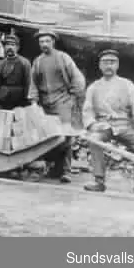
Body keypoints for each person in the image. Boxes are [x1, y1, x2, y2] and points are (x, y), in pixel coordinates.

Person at [82, 49, 134, 198]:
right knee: (94, 140)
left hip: (124, 125)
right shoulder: (93, 87)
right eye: (105, 62)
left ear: (117, 65)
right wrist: (93, 125)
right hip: (104, 126)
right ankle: (98, 181)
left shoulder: (127, 85)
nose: (109, 65)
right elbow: (87, 110)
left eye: (112, 62)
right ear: (100, 66)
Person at [29, 29, 86, 183]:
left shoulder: (63, 58)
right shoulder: (38, 61)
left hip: (63, 102)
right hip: (45, 103)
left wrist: (73, 96)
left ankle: (65, 170)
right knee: (48, 136)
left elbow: (77, 78)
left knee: (66, 136)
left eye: (47, 41)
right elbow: (33, 83)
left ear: (53, 42)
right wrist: (34, 101)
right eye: (41, 42)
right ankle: (53, 168)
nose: (44, 44)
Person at [0, 34, 31, 113]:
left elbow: (28, 83)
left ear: (17, 47)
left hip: (19, 101)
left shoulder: (24, 63)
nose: (10, 47)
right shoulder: (1, 64)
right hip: (4, 100)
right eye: (7, 45)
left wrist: (27, 100)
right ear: (4, 47)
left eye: (12, 45)